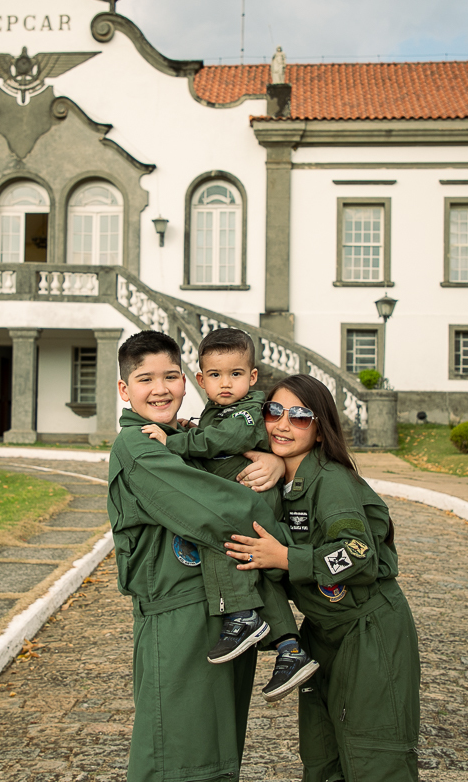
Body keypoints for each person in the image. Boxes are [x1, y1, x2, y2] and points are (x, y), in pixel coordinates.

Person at [107, 330, 287, 782]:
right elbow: (223, 509)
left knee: (217, 757)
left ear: (188, 381)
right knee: (178, 760)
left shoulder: (184, 435)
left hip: (225, 613)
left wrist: (277, 463)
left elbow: (231, 468)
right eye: (145, 379)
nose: (161, 388)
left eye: (171, 376)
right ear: (125, 391)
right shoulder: (139, 446)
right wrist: (286, 542)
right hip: (178, 618)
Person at [226, 373, 421, 782]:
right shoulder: (284, 481)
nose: (282, 424)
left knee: (373, 755)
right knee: (322, 755)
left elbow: (358, 554)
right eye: (274, 412)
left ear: (319, 429)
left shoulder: (330, 481)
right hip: (322, 632)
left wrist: (285, 557)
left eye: (299, 416)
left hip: (368, 631)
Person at [141, 327, 317, 701]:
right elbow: (213, 434)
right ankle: (291, 649)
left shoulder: (249, 409)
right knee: (254, 570)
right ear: (201, 380)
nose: (226, 384)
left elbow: (224, 440)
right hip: (240, 498)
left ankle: (242, 616)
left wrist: (175, 441)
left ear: (252, 377)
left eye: (236, 374)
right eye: (216, 376)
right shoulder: (217, 410)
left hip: (252, 501)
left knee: (226, 547)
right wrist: (189, 426)